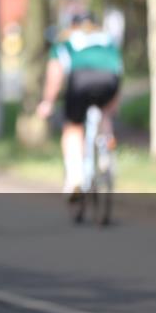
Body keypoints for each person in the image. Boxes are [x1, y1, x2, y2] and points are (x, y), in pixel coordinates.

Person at [36, 11, 123, 197]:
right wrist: (114, 103)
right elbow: (118, 68)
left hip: (81, 80)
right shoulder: (107, 40)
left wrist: (48, 101)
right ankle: (106, 151)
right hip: (109, 80)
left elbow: (55, 72)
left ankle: (75, 178)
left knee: (73, 127)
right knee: (105, 115)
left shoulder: (66, 40)